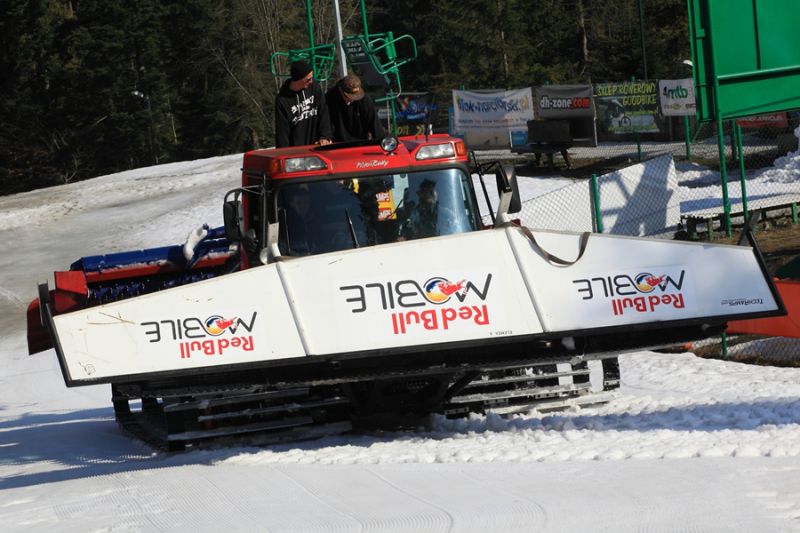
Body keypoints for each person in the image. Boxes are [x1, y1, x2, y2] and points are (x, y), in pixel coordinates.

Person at [275, 60, 332, 148]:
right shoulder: (282, 100)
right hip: (297, 151)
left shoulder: (314, 88)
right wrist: (285, 153)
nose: (311, 81)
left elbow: (323, 112)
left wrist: (325, 136)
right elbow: (282, 132)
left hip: (318, 145)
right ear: (299, 79)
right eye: (308, 79)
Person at [325, 74, 386, 142]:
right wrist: (326, 137)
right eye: (349, 97)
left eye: (356, 96)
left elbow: (374, 125)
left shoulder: (364, 100)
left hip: (360, 143)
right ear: (340, 90)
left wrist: (382, 141)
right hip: (337, 144)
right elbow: (325, 122)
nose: (353, 99)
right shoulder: (329, 98)